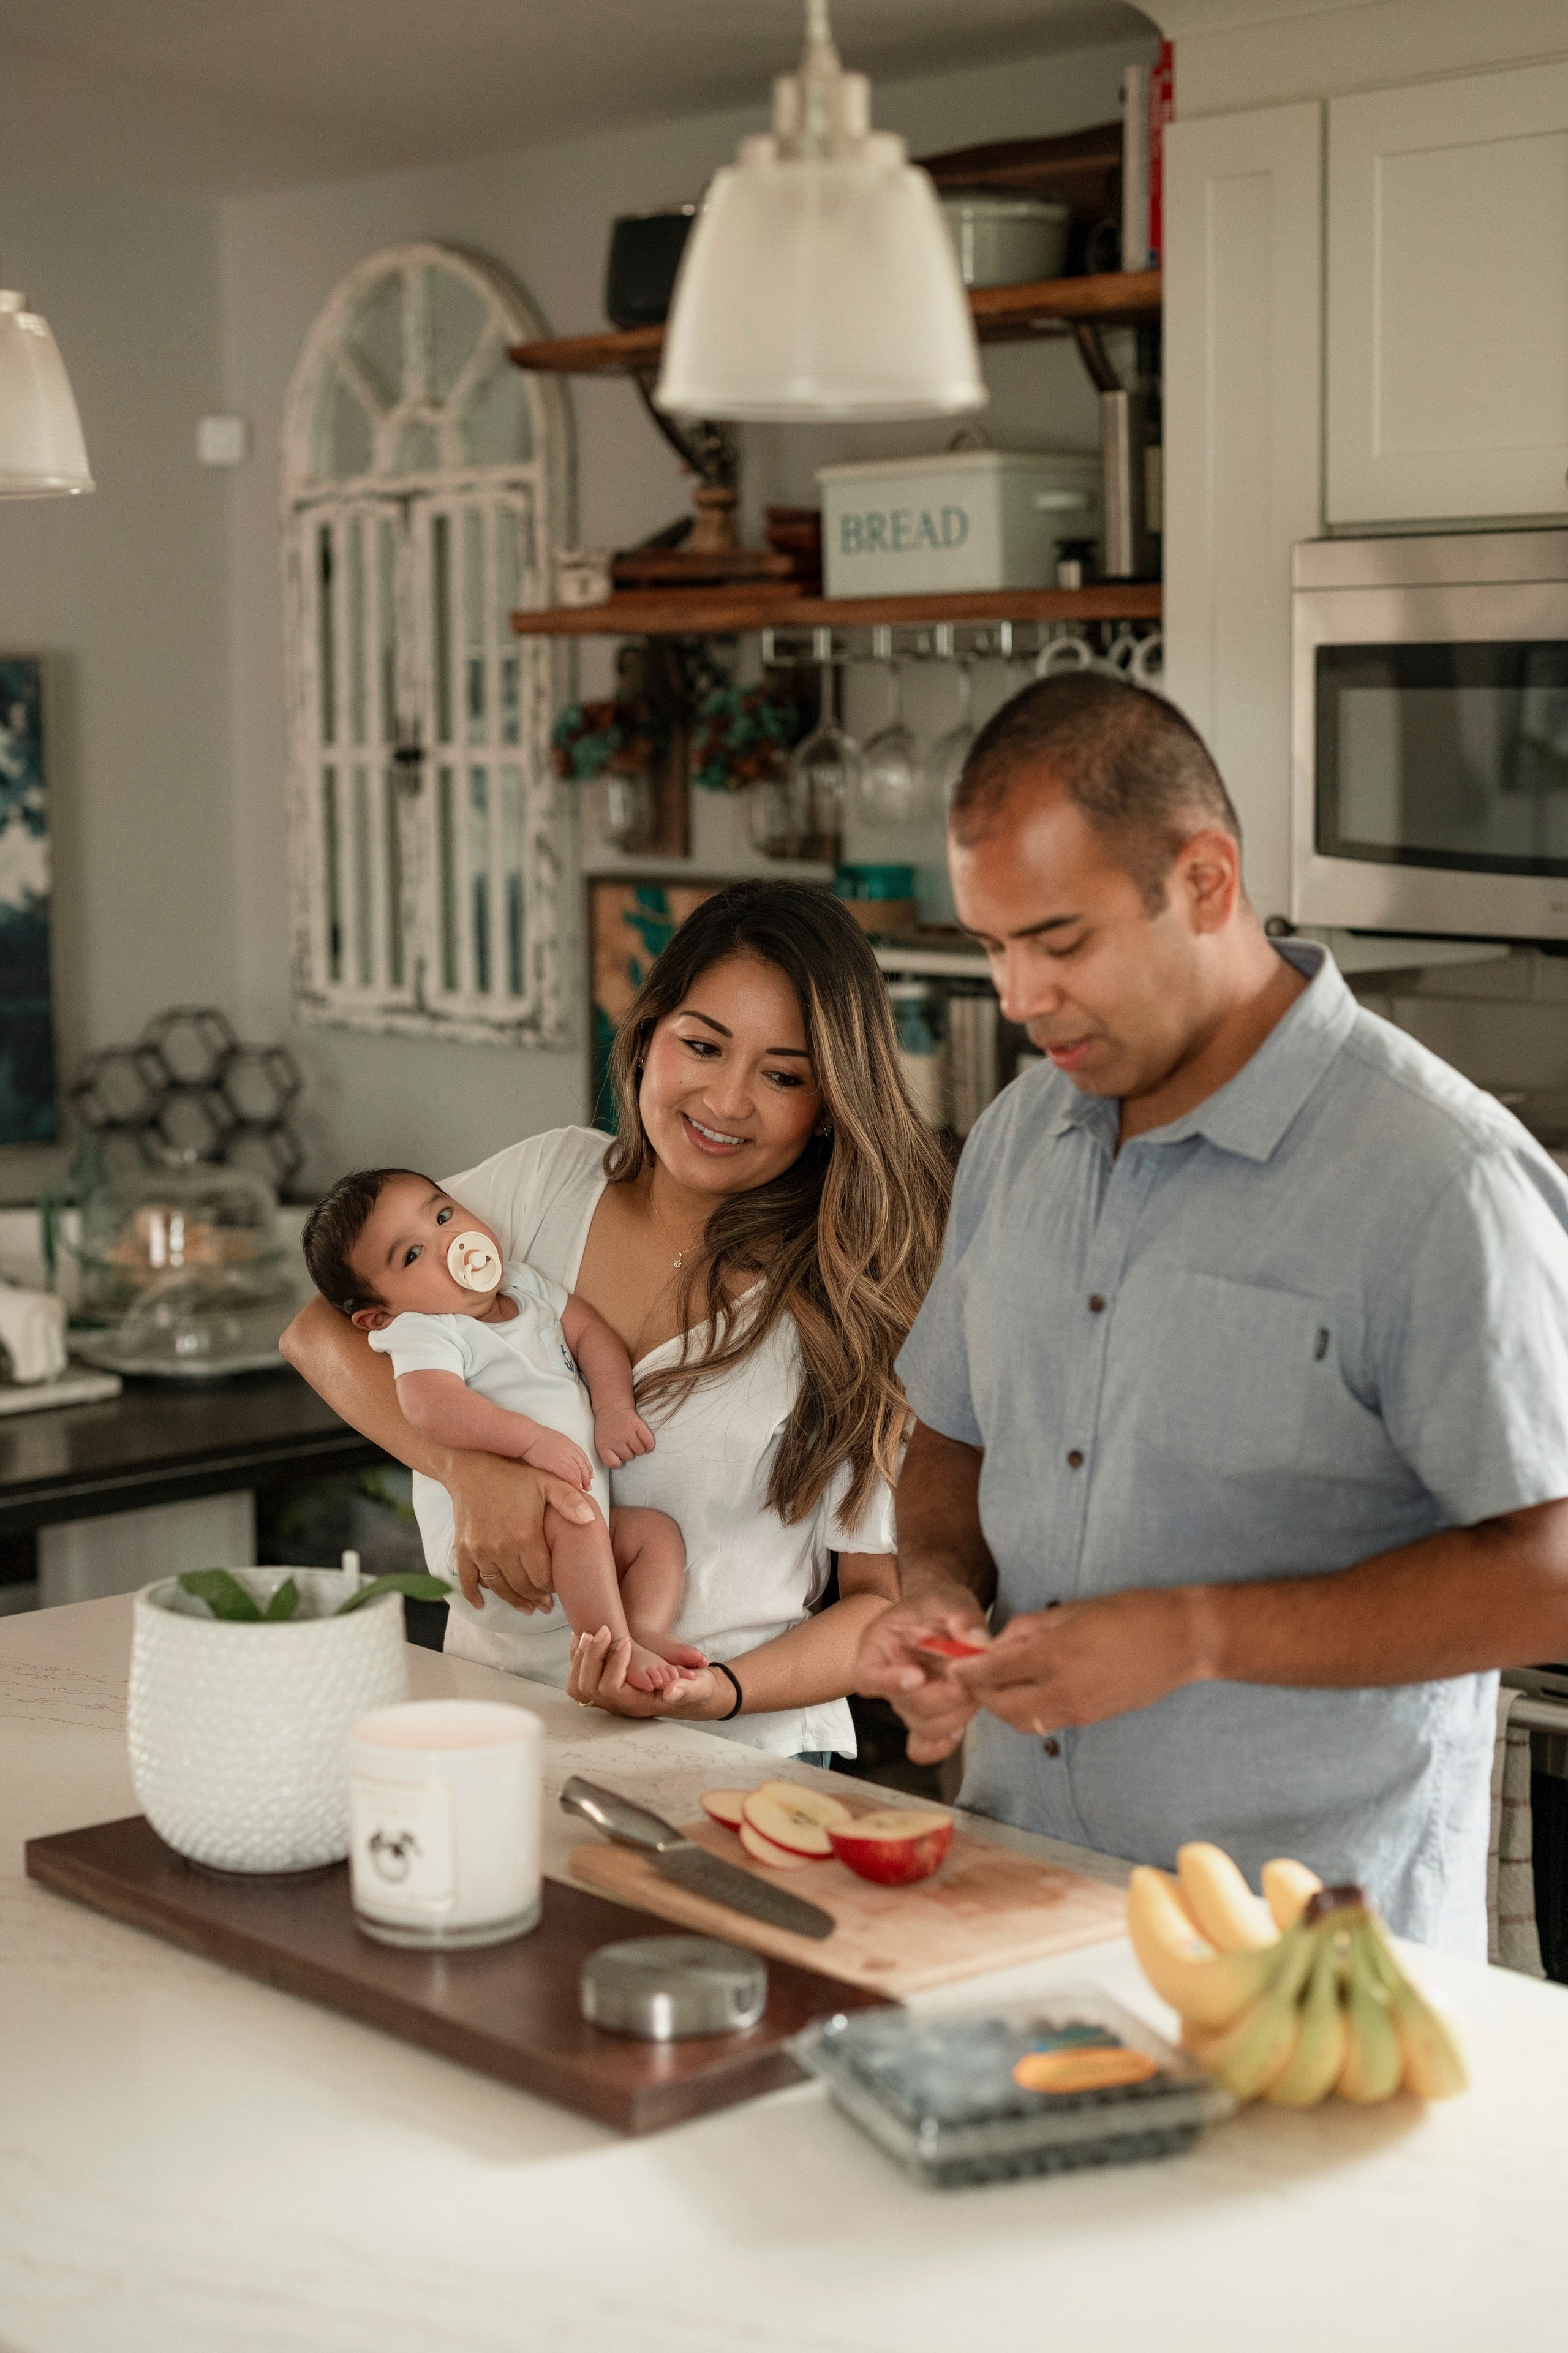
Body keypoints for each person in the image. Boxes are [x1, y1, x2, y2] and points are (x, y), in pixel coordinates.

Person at [854, 670, 1568, 1954]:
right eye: (992, 947)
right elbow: (950, 1435)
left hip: (1312, 1959)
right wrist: (939, 1584)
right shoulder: (1018, 1137)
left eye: (1060, 942)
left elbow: (1553, 1569)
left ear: (1203, 880)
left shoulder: (1434, 1177)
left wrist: (1192, 1636)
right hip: (1017, 1898)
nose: (1018, 999)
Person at [281, 880, 950, 1763]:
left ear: (829, 1102)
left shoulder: (849, 1290)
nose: (726, 1100)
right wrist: (467, 1469)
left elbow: (876, 1601)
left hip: (735, 1760)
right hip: (489, 1728)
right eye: (702, 1046)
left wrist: (717, 1693)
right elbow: (318, 1332)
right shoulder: (543, 1183)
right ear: (647, 1036)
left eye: (782, 1074)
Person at [299, 1166, 692, 1692]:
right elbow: (431, 1407)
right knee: (577, 1522)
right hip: (483, 1556)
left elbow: (592, 1334)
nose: (448, 1244)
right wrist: (528, 1439)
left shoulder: (525, 1286)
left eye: (443, 1216)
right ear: (377, 1316)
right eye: (412, 1255)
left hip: (577, 1527)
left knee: (654, 1537)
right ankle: (612, 1654)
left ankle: (641, 1630)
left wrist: (615, 1408)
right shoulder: (423, 1328)